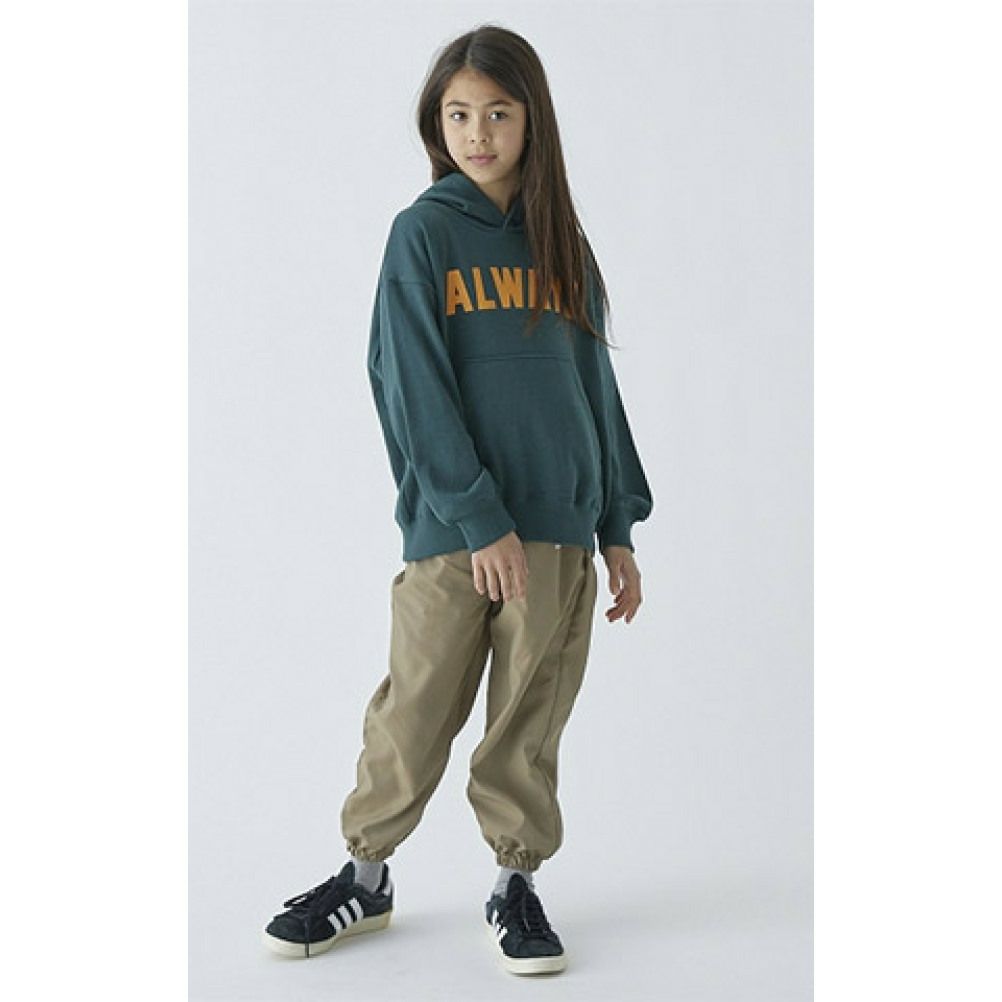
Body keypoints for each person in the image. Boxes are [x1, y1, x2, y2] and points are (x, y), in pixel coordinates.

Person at [262, 23, 653, 977]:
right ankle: (365, 877)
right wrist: (479, 517)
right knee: (416, 707)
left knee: (529, 717)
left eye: (499, 113)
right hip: (454, 533)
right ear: (436, 125)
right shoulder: (423, 234)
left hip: (557, 527)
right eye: (459, 114)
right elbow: (409, 384)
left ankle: (515, 884)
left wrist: (617, 524)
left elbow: (594, 389)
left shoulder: (562, 244)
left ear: (532, 121)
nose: (479, 133)